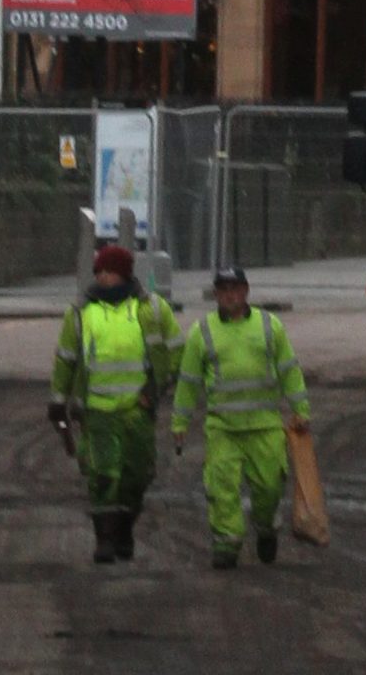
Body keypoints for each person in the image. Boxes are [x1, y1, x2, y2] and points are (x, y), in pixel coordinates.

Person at [170, 266, 311, 570]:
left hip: (265, 426)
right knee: (222, 488)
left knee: (270, 486)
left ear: (246, 291)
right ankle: (227, 541)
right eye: (223, 290)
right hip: (223, 428)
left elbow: (289, 369)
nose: (230, 295)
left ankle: (266, 526)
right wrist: (179, 422)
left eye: (235, 288)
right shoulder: (202, 332)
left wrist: (301, 410)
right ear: (216, 295)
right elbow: (189, 381)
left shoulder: (269, 326)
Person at [48, 244, 181, 563]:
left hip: (138, 410)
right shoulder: (80, 313)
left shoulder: (152, 309)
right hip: (98, 411)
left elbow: (176, 350)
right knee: (104, 475)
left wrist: (157, 387)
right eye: (99, 271)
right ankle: (105, 537)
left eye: (109, 270)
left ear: (124, 273)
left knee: (137, 475)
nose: (103, 276)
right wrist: (58, 401)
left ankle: (124, 527)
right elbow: (65, 359)